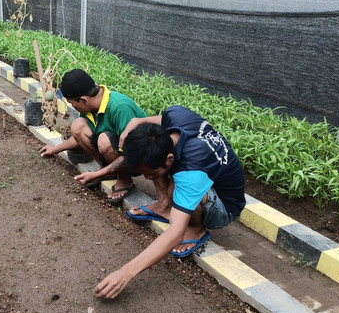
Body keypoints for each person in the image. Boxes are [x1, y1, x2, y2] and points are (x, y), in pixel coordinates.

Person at [94, 105, 246, 299]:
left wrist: (125, 272)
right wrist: (139, 121)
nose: (147, 178)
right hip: (205, 176)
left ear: (169, 158)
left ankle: (197, 228)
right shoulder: (178, 116)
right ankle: (166, 207)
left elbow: (175, 233)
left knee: (181, 190)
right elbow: (161, 120)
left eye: (150, 173)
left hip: (225, 206)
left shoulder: (191, 171)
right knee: (177, 185)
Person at [39, 69, 147, 204]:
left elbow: (132, 153)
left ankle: (125, 179)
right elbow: (78, 136)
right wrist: (55, 149)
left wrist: (96, 175)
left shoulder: (120, 107)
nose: (73, 107)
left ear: (83, 100)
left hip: (140, 158)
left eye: (73, 104)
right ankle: (107, 171)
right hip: (118, 153)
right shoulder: (91, 107)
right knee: (78, 126)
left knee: (104, 140)